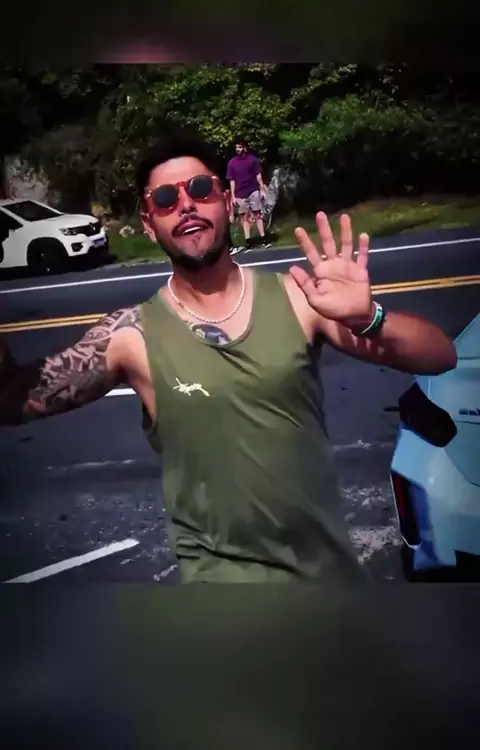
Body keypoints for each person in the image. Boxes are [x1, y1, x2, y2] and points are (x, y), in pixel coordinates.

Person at [0, 131, 457, 584]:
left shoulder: (299, 299)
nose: (186, 205)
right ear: (148, 222)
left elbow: (440, 356)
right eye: (165, 198)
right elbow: (12, 398)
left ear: (226, 200)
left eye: (200, 189)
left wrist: (369, 317)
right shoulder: (130, 336)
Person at [226, 140, 270, 251]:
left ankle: (264, 239)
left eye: (240, 147)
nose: (238, 149)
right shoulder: (232, 163)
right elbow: (231, 180)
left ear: (245, 148)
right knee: (244, 217)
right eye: (236, 147)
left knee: (257, 214)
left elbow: (258, 175)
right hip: (240, 193)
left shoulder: (252, 160)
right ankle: (248, 241)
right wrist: (233, 196)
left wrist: (262, 189)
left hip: (253, 190)